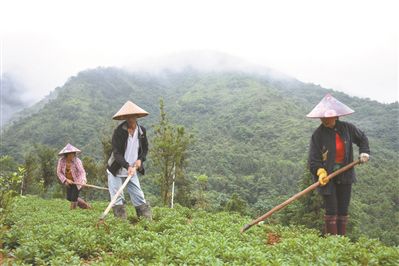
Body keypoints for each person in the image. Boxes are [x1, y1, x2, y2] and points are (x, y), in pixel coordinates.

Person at [307, 94, 370, 236]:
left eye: (327, 117)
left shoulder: (347, 128)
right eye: (322, 117)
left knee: (343, 209)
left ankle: (342, 242)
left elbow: (362, 138)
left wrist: (364, 152)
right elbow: (313, 160)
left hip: (345, 174)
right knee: (331, 209)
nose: (324, 120)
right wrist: (320, 172)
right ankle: (332, 242)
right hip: (328, 177)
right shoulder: (318, 135)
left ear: (336, 116)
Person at [107, 100, 152, 220]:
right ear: (125, 117)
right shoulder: (119, 132)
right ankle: (121, 224)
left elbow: (145, 148)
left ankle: (146, 221)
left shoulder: (142, 131)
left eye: (132, 116)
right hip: (116, 169)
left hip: (132, 169)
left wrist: (140, 160)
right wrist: (128, 167)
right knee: (117, 197)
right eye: (128, 116)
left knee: (139, 195)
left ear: (137, 116)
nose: (130, 119)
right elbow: (116, 153)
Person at [57, 143, 91, 209]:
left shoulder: (77, 161)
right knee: (69, 197)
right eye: (70, 154)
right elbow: (59, 172)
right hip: (68, 182)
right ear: (66, 155)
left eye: (73, 153)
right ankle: (86, 206)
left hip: (77, 181)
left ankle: (72, 211)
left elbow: (82, 172)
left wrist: (83, 180)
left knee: (74, 198)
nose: (72, 155)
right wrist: (66, 180)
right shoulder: (61, 161)